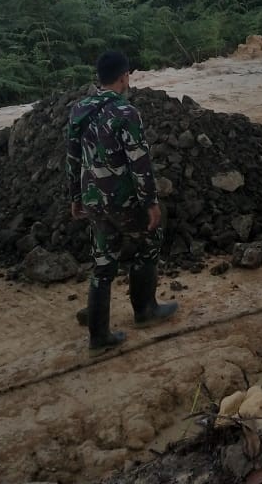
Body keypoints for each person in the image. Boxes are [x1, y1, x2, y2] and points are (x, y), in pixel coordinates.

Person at [66, 50, 177, 353]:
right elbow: (139, 162)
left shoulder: (78, 110)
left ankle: (98, 336)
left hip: (93, 199)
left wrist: (75, 196)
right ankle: (145, 310)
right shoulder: (126, 112)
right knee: (150, 240)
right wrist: (151, 202)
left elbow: (73, 157)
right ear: (124, 77)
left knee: (103, 263)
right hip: (122, 199)